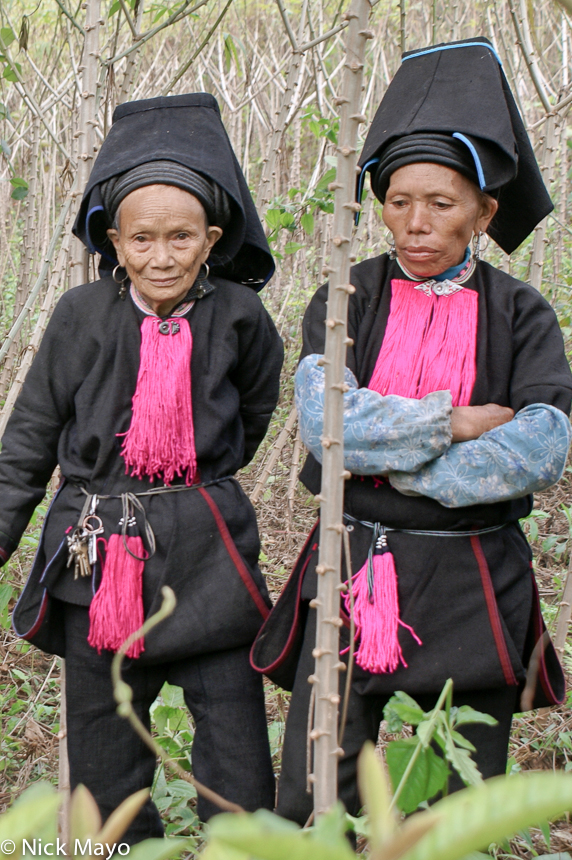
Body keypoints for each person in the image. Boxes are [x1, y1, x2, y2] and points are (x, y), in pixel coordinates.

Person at [251, 38, 572, 824]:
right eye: (398, 201)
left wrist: (384, 460)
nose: (416, 223)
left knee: (460, 788)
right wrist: (449, 423)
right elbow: (324, 417)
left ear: (485, 212)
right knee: (318, 772)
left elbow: (543, 445)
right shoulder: (347, 295)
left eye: (442, 203)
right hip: (355, 558)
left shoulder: (521, 311)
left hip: (475, 570)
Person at [0, 93, 283, 841]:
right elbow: (28, 439)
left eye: (182, 236)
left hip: (208, 555)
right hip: (101, 560)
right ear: (115, 242)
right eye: (144, 238)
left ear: (212, 239)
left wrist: (191, 491)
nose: (163, 256)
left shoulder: (244, 319)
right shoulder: (80, 316)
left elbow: (253, 415)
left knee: (240, 762)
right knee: (105, 766)